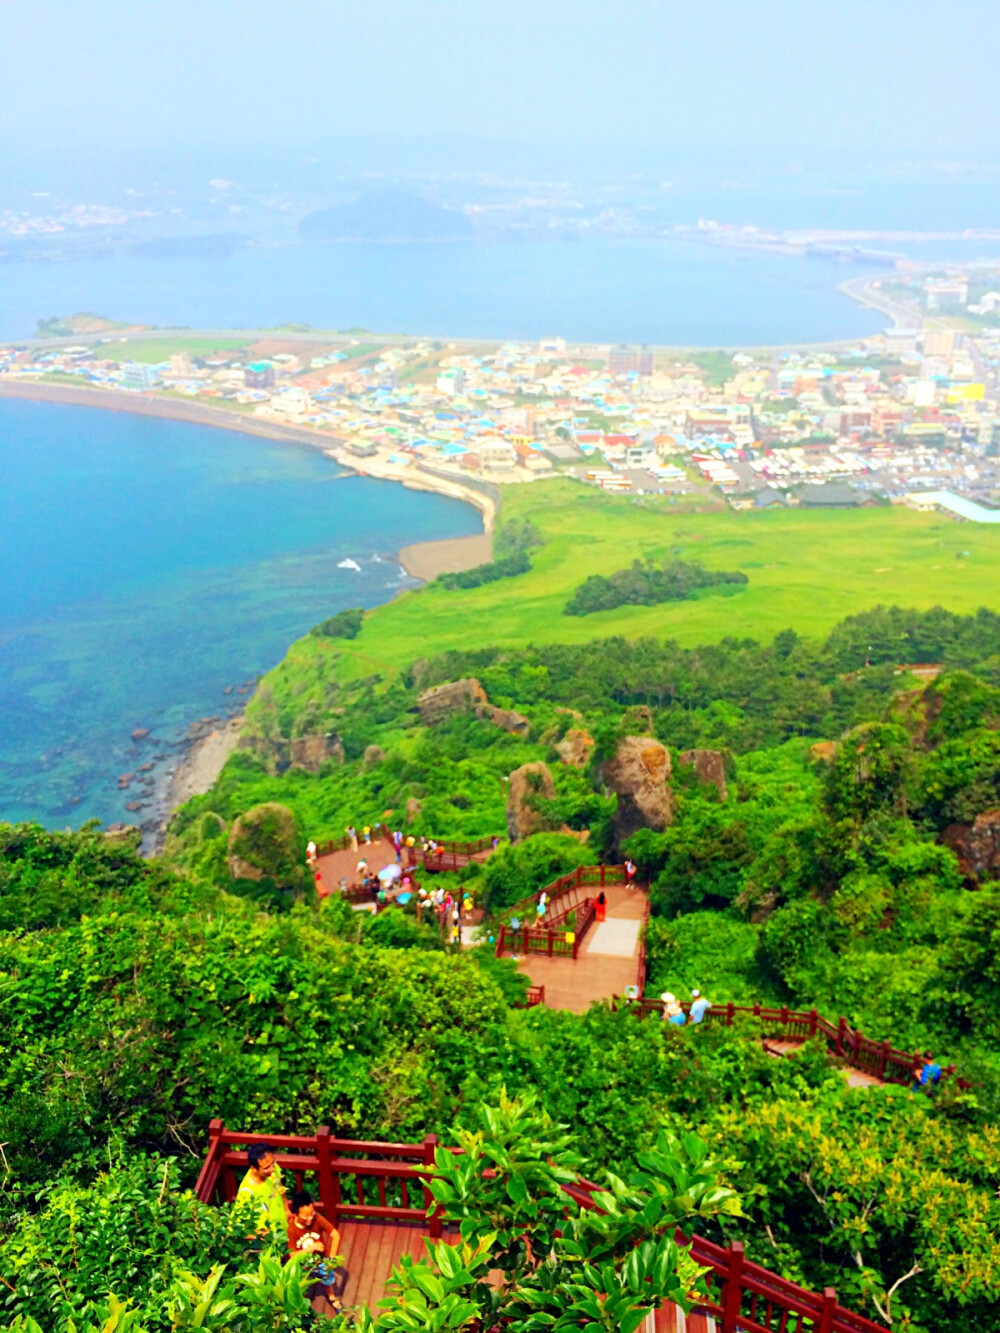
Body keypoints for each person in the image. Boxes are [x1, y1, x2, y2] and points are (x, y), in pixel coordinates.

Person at [287, 1190, 349, 1316]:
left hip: (320, 1261)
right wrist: (311, 1248)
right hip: (303, 1265)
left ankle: (332, 1298)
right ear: (295, 1215)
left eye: (312, 1213)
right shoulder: (292, 1230)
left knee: (327, 1279)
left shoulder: (317, 1219)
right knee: (302, 1285)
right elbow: (293, 1255)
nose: (310, 1218)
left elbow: (335, 1235)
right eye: (306, 1217)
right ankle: (302, 1306)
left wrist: (331, 1258)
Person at [236, 1142, 289, 1241]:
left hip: (284, 1232)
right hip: (267, 1244)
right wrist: (262, 1236)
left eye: (273, 1163)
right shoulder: (247, 1192)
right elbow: (239, 1230)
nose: (272, 1169)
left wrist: (286, 1208)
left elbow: (279, 1185)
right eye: (266, 1168)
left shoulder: (272, 1169)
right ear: (253, 1169)